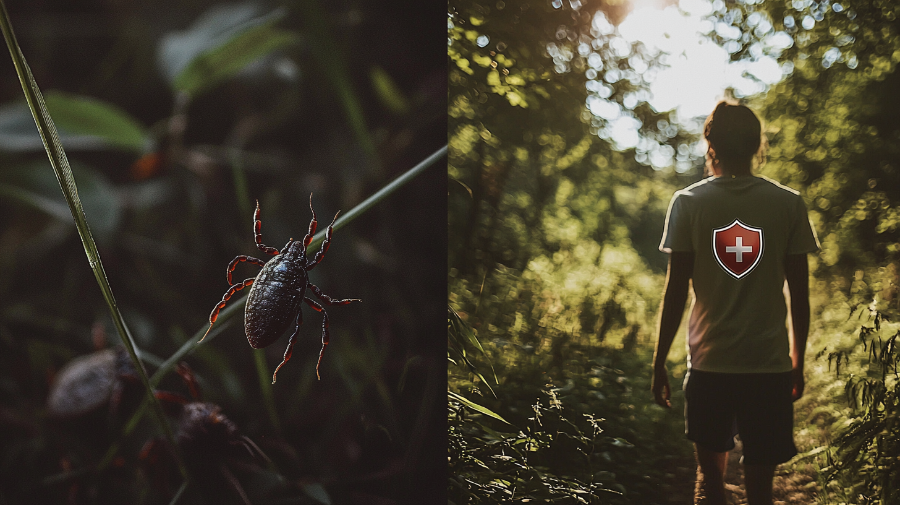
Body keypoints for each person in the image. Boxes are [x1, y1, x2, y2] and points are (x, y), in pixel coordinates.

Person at [651, 101, 819, 505]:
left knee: (711, 484)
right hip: (769, 367)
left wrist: (658, 363)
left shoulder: (688, 202)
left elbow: (676, 293)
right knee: (761, 492)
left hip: (710, 367)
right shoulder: (787, 203)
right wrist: (797, 361)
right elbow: (800, 295)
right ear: (758, 145)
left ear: (711, 146)